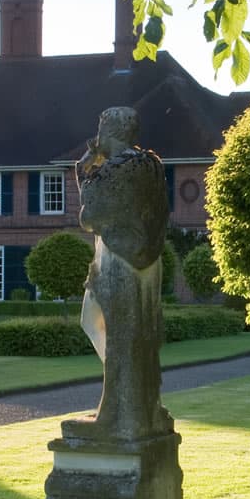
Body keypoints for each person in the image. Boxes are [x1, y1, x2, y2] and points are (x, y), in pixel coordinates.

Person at [64, 107, 173, 442]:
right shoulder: (150, 164)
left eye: (100, 129)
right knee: (142, 336)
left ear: (108, 131)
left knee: (116, 334)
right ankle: (146, 407)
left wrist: (86, 166)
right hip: (148, 264)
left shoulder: (115, 169)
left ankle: (115, 415)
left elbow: (89, 216)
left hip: (119, 264)